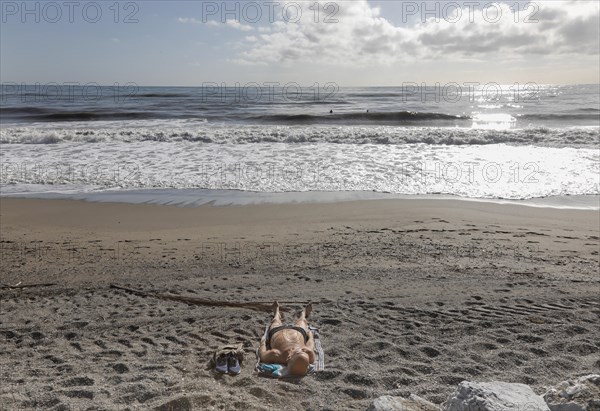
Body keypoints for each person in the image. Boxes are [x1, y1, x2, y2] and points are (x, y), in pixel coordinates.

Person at [259, 301, 315, 376]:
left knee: (275, 321)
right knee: (302, 321)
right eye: (303, 352)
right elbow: (310, 344)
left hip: (278, 331)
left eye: (298, 352)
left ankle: (277, 313)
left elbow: (262, 355)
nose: (303, 350)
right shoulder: (308, 354)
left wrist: (263, 343)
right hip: (299, 331)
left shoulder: (277, 355)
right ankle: (303, 314)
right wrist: (310, 336)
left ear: (289, 357)